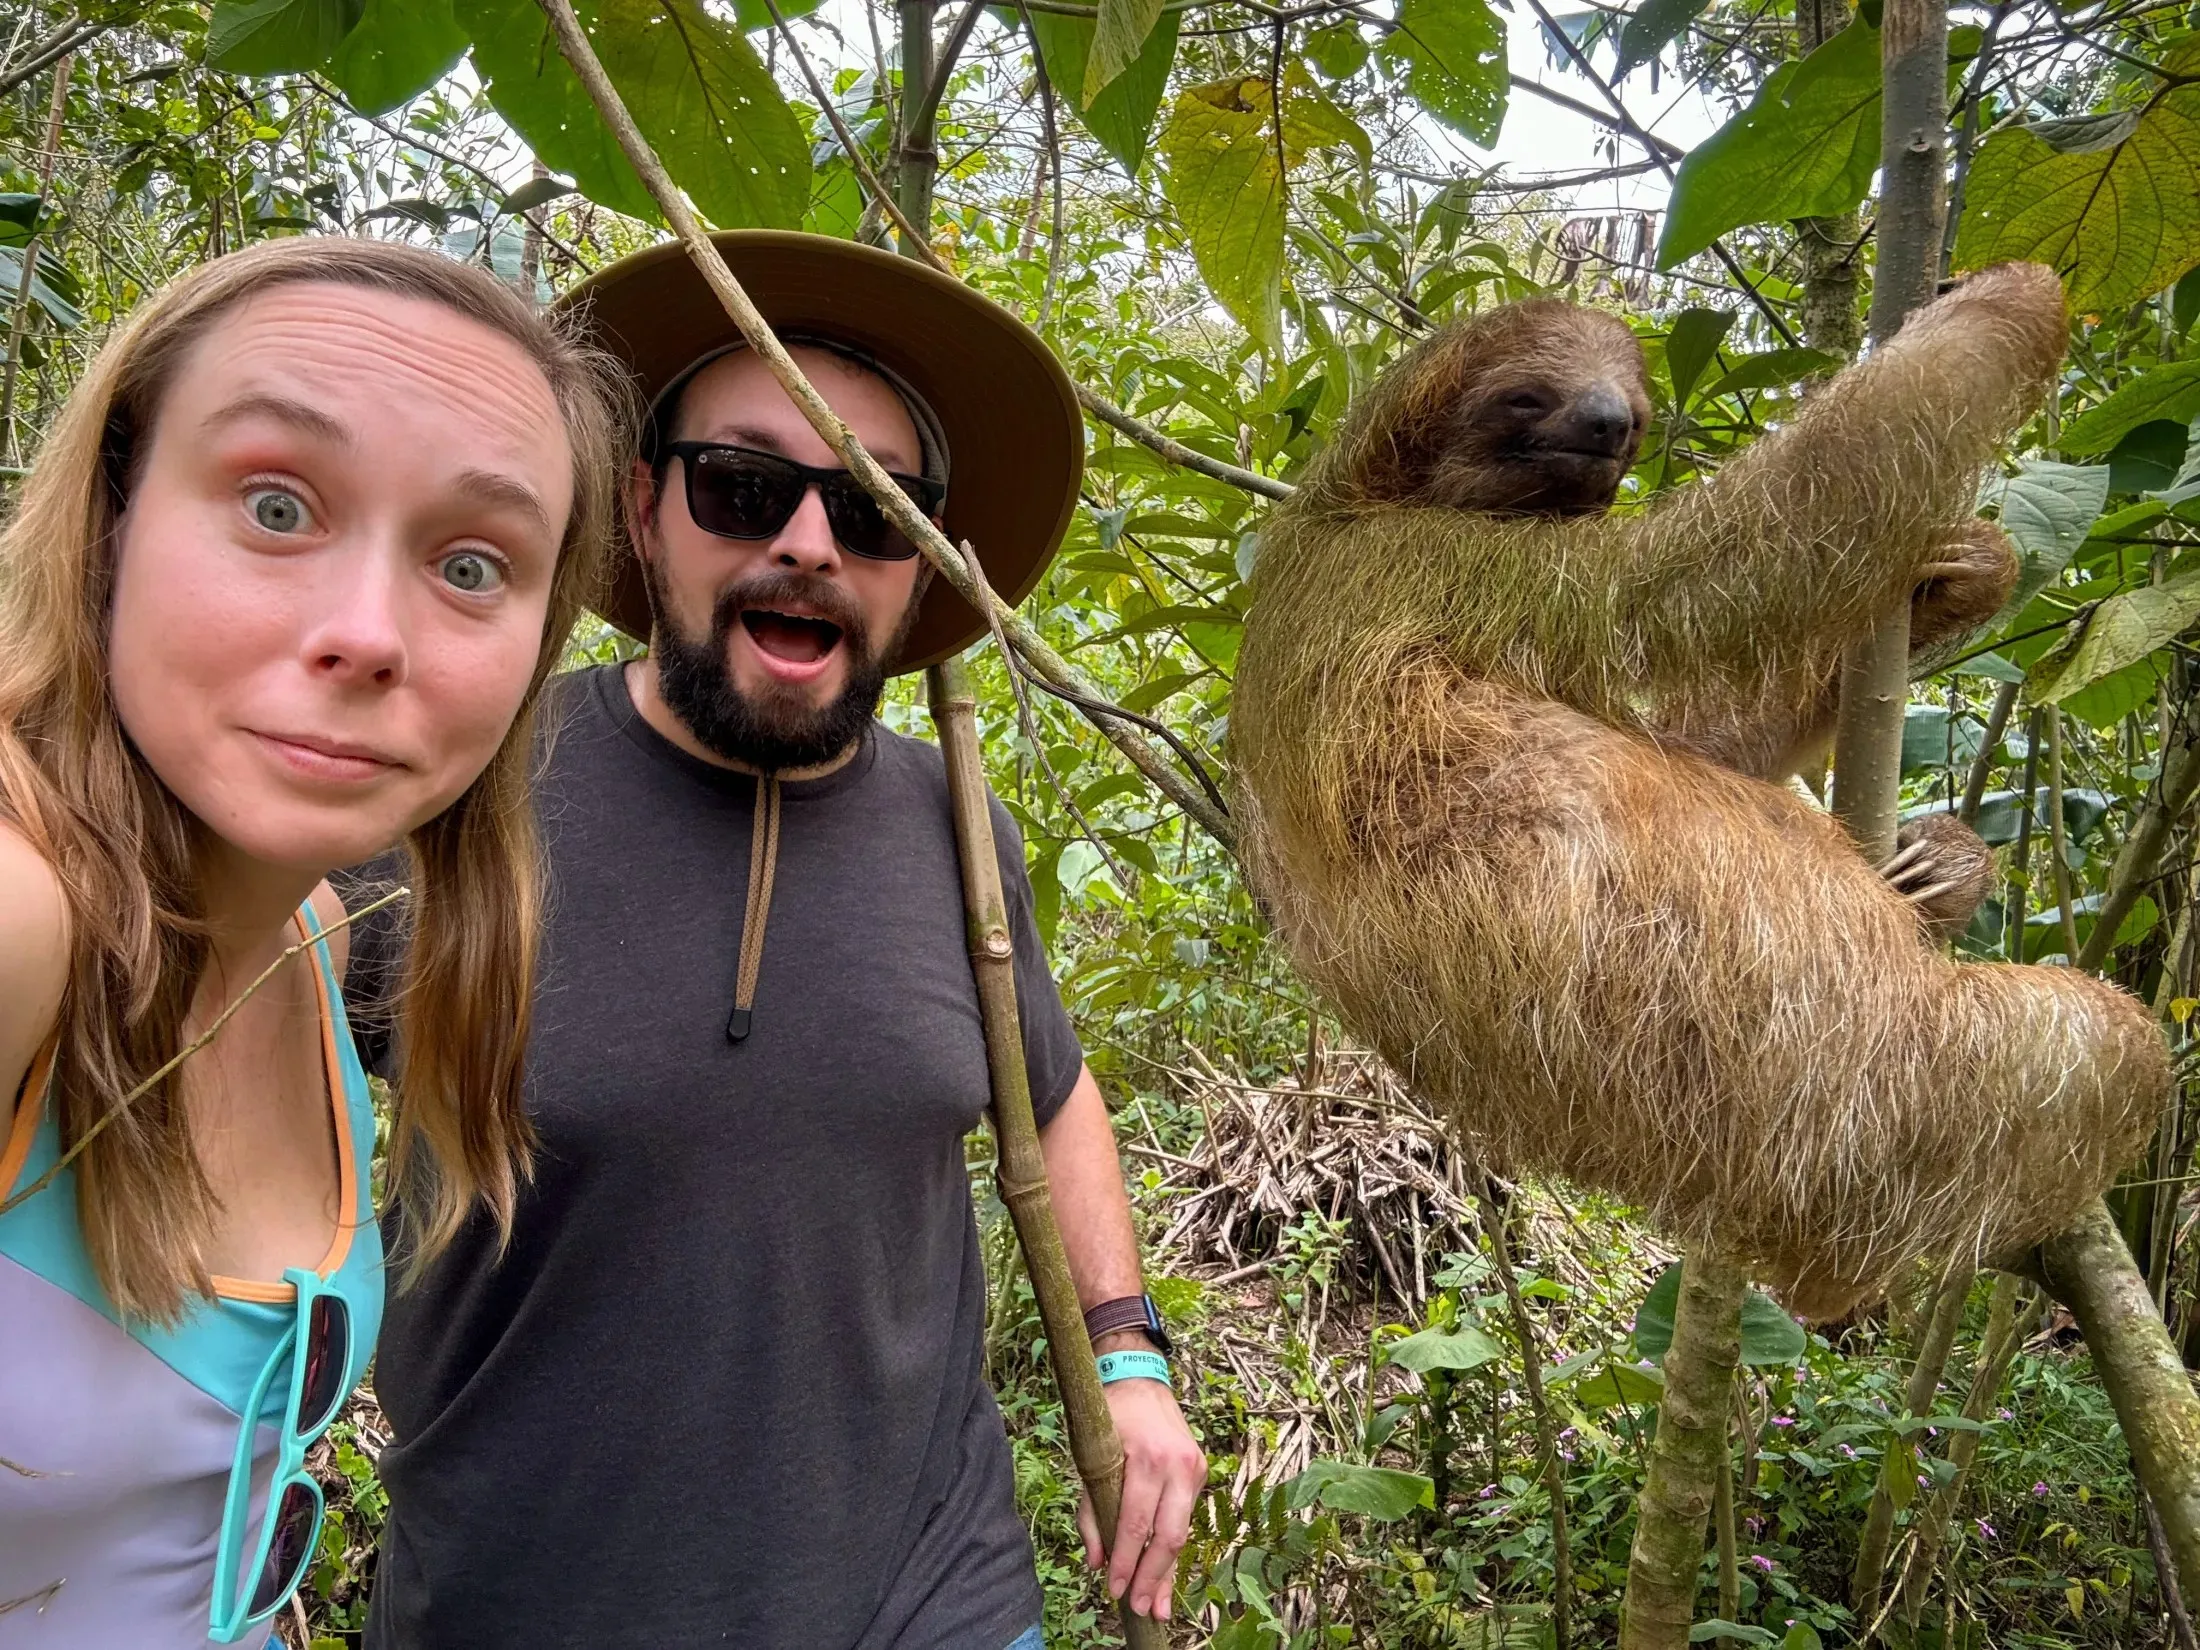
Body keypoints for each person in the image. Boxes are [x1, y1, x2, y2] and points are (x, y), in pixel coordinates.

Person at [346, 231, 1208, 1649]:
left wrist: (1130, 1355)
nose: (807, 543)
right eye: (744, 487)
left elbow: (1049, 1093)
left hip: (934, 1598)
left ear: (922, 566)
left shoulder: (960, 833)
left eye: (872, 506)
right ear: (639, 504)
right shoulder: (463, 792)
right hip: (522, 1603)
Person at [0, 236, 625, 1647]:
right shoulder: (25, 917)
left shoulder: (314, 935)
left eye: (473, 563)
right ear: (109, 522)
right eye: (276, 504)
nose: (368, 633)